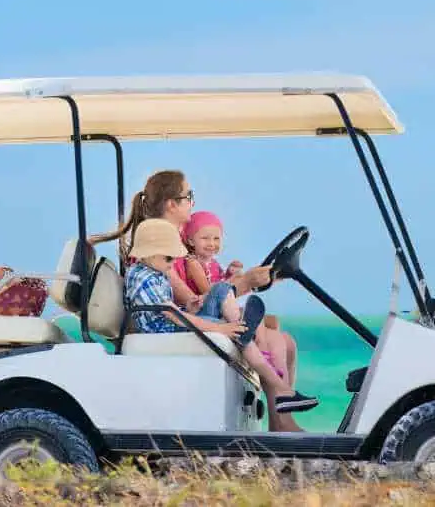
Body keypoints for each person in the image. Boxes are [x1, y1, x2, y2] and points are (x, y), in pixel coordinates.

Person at [89, 169, 304, 430]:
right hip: (180, 322)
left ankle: (282, 419)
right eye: (189, 196)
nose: (193, 201)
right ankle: (282, 414)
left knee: (284, 339)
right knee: (267, 336)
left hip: (192, 314)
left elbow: (199, 295)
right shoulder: (159, 254)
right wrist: (246, 283)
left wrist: (246, 281)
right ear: (172, 204)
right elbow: (190, 299)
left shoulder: (169, 246)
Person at [123, 218, 317, 415]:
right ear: (149, 253)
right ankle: (282, 390)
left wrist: (190, 304)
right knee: (240, 333)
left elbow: (171, 308)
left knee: (222, 288)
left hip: (177, 317)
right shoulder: (144, 278)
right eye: (169, 259)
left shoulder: (154, 269)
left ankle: (240, 328)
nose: (172, 263)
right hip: (167, 328)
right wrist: (220, 329)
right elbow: (171, 317)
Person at [173, 210, 287, 380]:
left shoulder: (213, 264)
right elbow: (211, 292)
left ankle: (266, 360)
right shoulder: (193, 264)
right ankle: (262, 356)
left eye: (216, 239)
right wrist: (239, 280)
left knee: (273, 321)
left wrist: (229, 273)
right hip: (205, 310)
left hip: (217, 306)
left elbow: (221, 282)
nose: (211, 243)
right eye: (205, 238)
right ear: (190, 240)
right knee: (253, 317)